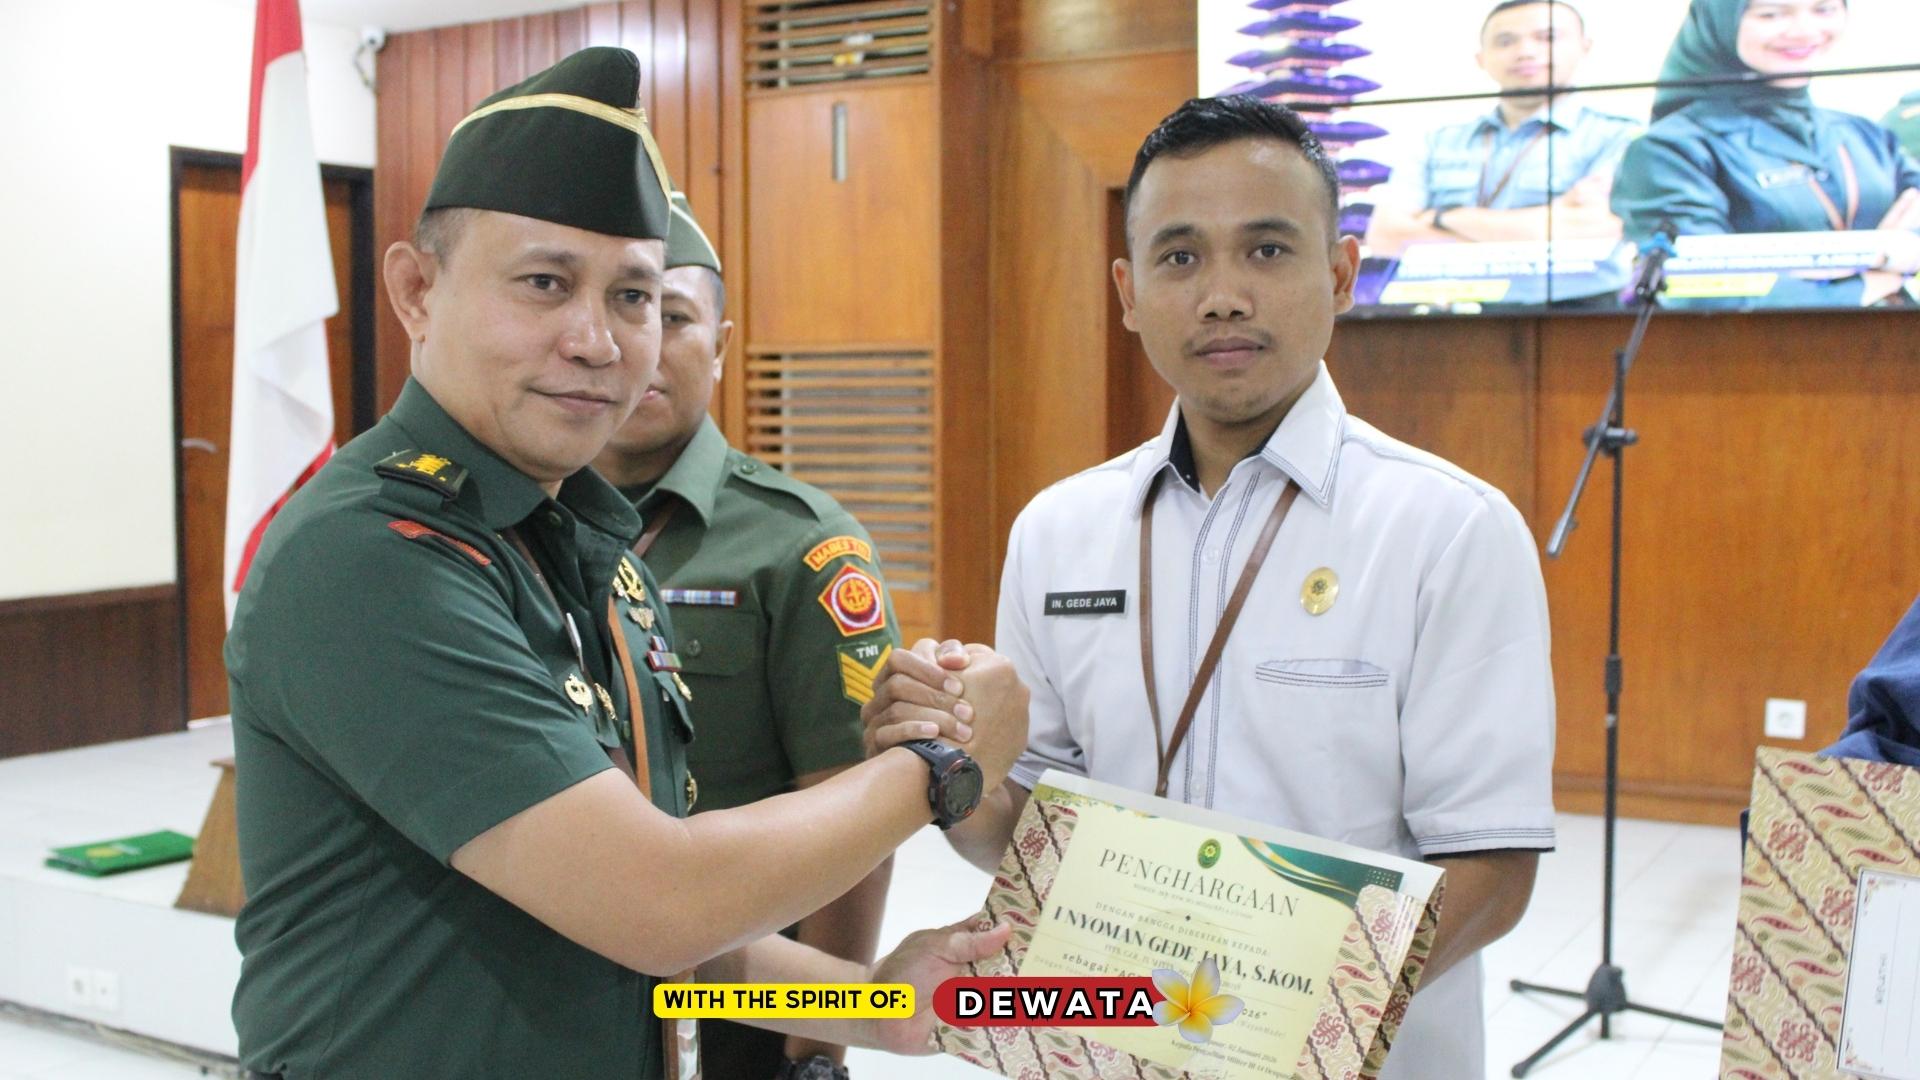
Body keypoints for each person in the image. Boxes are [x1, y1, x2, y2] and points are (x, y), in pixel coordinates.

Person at [226, 47, 1028, 1080]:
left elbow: (642, 936)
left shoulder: (591, 557)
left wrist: (867, 1003)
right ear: (417, 290)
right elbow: (661, 902)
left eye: (636, 297)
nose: (597, 341)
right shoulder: (370, 559)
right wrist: (942, 769)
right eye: (545, 283)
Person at [865, 95, 1556, 1080]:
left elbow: (1491, 867)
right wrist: (943, 765)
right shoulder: (1058, 530)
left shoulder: (1449, 530)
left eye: (1267, 250)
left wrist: (1291, 1031)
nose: (1223, 296)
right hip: (1111, 1048)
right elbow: (1025, 837)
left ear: (1341, 274)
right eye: (1180, 256)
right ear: (1128, 290)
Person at [591, 192, 899, 1080]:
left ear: (722, 345)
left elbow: (854, 820)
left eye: (674, 317)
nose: (645, 344)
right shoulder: (523, 523)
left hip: (738, 1007)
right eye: (626, 310)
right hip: (556, 997)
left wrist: (817, 1046)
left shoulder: (799, 544)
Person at [1611, 0, 1920, 306]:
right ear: (1719, 20)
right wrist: (1866, 282)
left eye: (1824, 10)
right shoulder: (1670, 150)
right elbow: (1698, 291)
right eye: (1771, 14)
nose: (1804, 30)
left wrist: (1897, 251)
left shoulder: (1865, 134)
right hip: (1764, 339)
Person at [1364, 0, 1638, 304]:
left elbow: (1596, 230)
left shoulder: (1621, 136)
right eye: (1505, 41)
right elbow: (1386, 237)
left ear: (1585, 47)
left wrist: (1441, 217)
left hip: (1578, 311)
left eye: (1546, 37)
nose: (1525, 51)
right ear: (1481, 58)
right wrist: (1543, 227)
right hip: (1445, 310)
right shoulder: (1437, 141)